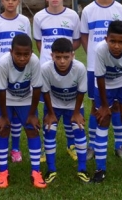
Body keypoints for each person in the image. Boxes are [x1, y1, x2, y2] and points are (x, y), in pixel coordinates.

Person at [80, 0, 122, 161]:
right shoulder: (88, 10)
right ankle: (92, 145)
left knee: (117, 106)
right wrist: (94, 56)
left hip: (117, 67)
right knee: (95, 106)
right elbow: (85, 37)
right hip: (94, 67)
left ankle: (119, 145)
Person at [33, 0, 81, 158]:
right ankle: (47, 148)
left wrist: (65, 57)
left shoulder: (73, 16)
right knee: (48, 106)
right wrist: (49, 58)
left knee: (69, 104)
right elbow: (39, 42)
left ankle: (71, 145)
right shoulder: (39, 17)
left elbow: (76, 41)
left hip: (68, 68)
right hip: (47, 69)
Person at [0, 34, 46, 189]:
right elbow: (2, 90)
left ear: (31, 53)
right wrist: (3, 116)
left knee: (32, 130)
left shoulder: (35, 61)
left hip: (26, 99)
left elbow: (37, 88)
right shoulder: (3, 63)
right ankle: (3, 172)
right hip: (5, 99)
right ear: (11, 52)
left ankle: (36, 171)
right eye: (18, 54)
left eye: (26, 54)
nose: (22, 58)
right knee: (3, 130)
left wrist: (32, 114)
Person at [0, 0, 31, 163]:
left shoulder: (25, 21)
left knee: (17, 115)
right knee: (3, 114)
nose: (10, 2)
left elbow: (27, 49)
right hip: (1, 75)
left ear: (18, 1)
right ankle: (2, 150)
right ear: (2, 1)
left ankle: (16, 149)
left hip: (20, 74)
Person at [93, 20, 122, 183]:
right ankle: (100, 168)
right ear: (106, 39)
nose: (117, 46)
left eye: (121, 42)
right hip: (104, 85)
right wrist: (105, 106)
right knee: (103, 119)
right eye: (113, 41)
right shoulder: (100, 49)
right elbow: (99, 77)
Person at [41, 38, 90, 184]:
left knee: (79, 131)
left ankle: (82, 169)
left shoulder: (80, 68)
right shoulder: (45, 68)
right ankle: (51, 169)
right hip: (53, 106)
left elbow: (81, 92)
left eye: (66, 57)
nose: (62, 61)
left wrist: (76, 113)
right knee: (49, 131)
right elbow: (45, 91)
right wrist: (50, 113)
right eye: (58, 57)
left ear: (73, 55)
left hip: (73, 105)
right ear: (52, 56)